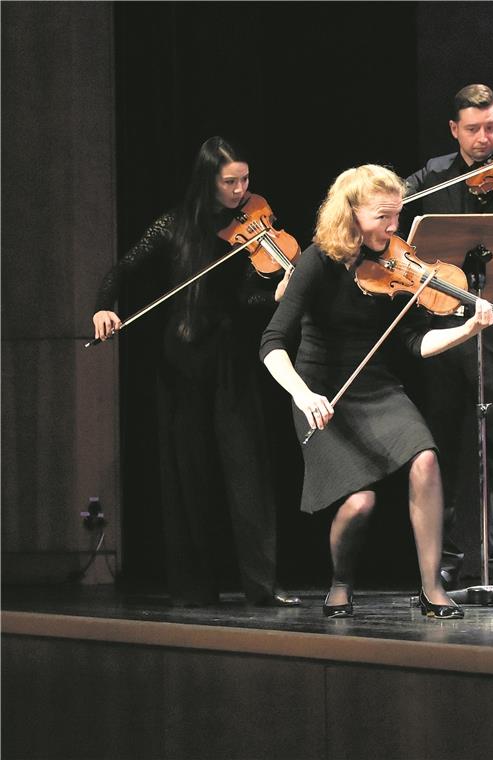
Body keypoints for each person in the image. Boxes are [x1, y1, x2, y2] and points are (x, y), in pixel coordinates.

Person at [261, 164, 493, 619]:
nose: (394, 228)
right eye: (383, 217)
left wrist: (468, 327)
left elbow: (417, 343)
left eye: (398, 216)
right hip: (321, 393)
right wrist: (302, 395)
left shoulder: (398, 263)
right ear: (350, 214)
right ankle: (341, 581)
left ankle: (432, 588)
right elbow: (272, 343)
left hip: (378, 389)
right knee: (360, 501)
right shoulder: (316, 262)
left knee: (425, 458)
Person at [92, 136, 299, 608]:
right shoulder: (172, 226)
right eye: (231, 182)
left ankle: (262, 584)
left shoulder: (251, 227)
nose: (242, 191)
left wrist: (275, 295)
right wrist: (103, 308)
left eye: (246, 180)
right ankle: (192, 586)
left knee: (248, 471)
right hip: (180, 361)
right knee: (188, 474)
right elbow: (122, 269)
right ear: (208, 180)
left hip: (229, 359)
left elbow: (246, 300)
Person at [402, 84, 493, 596]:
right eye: (473, 129)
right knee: (442, 449)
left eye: (492, 127)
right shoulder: (432, 175)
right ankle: (442, 559)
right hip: (443, 327)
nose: (485, 139)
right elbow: (395, 208)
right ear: (453, 130)